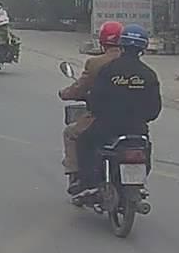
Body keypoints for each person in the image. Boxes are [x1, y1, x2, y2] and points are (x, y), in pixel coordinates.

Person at [75, 23, 162, 193]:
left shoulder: (109, 70)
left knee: (84, 141)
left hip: (108, 127)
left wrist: (98, 110)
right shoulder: (148, 74)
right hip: (136, 129)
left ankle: (87, 183)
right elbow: (154, 109)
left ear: (122, 44)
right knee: (144, 149)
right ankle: (138, 183)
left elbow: (95, 100)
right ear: (143, 48)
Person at [59, 21, 125, 194]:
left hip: (101, 118)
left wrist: (64, 93)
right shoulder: (134, 64)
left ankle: (79, 178)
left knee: (71, 133)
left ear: (102, 40)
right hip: (131, 121)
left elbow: (80, 87)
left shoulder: (95, 63)